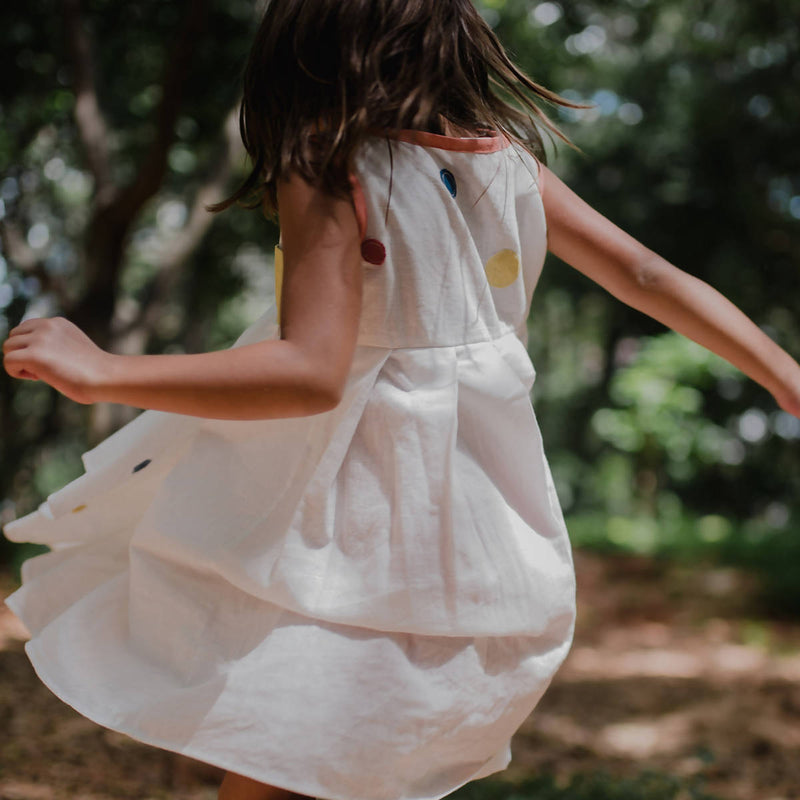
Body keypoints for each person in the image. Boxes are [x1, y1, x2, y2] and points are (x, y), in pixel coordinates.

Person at [3, 1, 800, 799]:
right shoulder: (508, 164)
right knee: (354, 754)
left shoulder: (328, 159)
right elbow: (645, 275)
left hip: (331, 508)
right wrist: (779, 370)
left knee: (276, 750)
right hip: (461, 516)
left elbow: (311, 372)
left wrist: (103, 369)